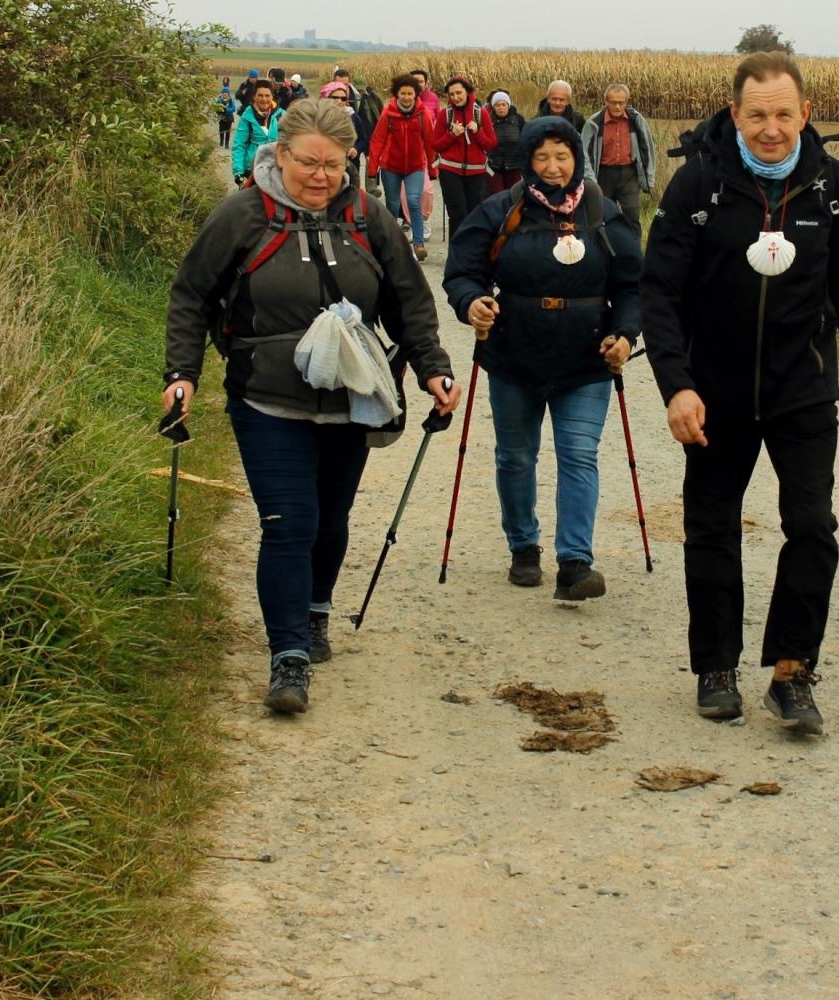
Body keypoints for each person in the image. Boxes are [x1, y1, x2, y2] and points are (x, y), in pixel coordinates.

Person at [163, 98, 461, 713]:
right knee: (290, 522)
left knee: (331, 517)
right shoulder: (243, 215)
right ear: (281, 153)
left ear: (349, 159)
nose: (320, 176)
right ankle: (289, 655)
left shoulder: (366, 216)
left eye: (334, 164)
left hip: (352, 397)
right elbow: (192, 295)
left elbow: (410, 300)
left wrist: (434, 369)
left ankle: (317, 609)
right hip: (266, 397)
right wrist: (181, 375)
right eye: (307, 163)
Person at [641, 52, 839, 735]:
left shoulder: (833, 188)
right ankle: (716, 667)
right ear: (735, 115)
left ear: (805, 114)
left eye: (784, 114)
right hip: (715, 393)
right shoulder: (698, 186)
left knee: (813, 527)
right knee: (712, 529)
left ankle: (792, 672)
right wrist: (677, 386)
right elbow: (658, 292)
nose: (771, 128)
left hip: (803, 389)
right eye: (757, 115)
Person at [443, 117, 641, 599]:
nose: (553, 168)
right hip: (514, 354)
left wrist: (625, 333)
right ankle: (523, 547)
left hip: (587, 358)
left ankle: (575, 562)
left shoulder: (602, 210)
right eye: (542, 157)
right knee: (515, 457)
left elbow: (634, 284)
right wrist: (472, 303)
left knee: (578, 455)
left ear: (577, 159)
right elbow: (461, 272)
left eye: (562, 156)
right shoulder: (501, 210)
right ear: (529, 162)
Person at [369, 74, 433, 259]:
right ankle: (391, 242)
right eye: (402, 93)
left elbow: (429, 142)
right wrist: (373, 168)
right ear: (397, 94)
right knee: (393, 204)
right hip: (391, 166)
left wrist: (433, 168)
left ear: (416, 95)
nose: (406, 97)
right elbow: (377, 141)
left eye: (409, 93)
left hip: (415, 167)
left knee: (414, 201)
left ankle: (419, 244)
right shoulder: (388, 114)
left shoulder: (423, 115)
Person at [579, 83, 655, 229]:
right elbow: (584, 155)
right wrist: (591, 181)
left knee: (632, 215)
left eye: (621, 103)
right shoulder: (594, 123)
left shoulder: (636, 120)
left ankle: (633, 249)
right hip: (603, 174)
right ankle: (607, 250)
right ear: (606, 102)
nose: (617, 107)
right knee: (603, 216)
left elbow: (648, 148)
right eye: (613, 103)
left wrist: (648, 179)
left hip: (629, 174)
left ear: (626, 102)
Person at [431, 76, 496, 228]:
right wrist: (452, 135)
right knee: (457, 215)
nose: (455, 97)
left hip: (476, 172)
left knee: (475, 215)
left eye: (459, 93)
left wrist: (477, 132)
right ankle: (456, 251)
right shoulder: (444, 114)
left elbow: (491, 144)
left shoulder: (482, 114)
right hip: (450, 171)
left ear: (467, 92)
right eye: (452, 94)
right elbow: (435, 145)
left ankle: (472, 250)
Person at [321, 81, 369, 190]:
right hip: (326, 165)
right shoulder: (319, 117)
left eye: (343, 98)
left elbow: (363, 139)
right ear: (326, 97)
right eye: (335, 98)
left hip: (349, 165)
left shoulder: (353, 117)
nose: (339, 101)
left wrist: (356, 149)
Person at [231, 81, 281, 185]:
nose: (264, 99)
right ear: (254, 96)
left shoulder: (282, 116)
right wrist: (238, 173)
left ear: (272, 96)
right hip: (251, 171)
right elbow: (239, 145)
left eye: (267, 95)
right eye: (260, 95)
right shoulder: (247, 117)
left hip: (275, 171)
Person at [485, 90, 526, 197]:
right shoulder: (487, 120)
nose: (501, 108)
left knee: (514, 196)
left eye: (504, 104)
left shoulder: (518, 120)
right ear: (493, 107)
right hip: (493, 166)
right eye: (497, 105)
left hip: (514, 165)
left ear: (508, 105)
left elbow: (526, 138)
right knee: (496, 195)